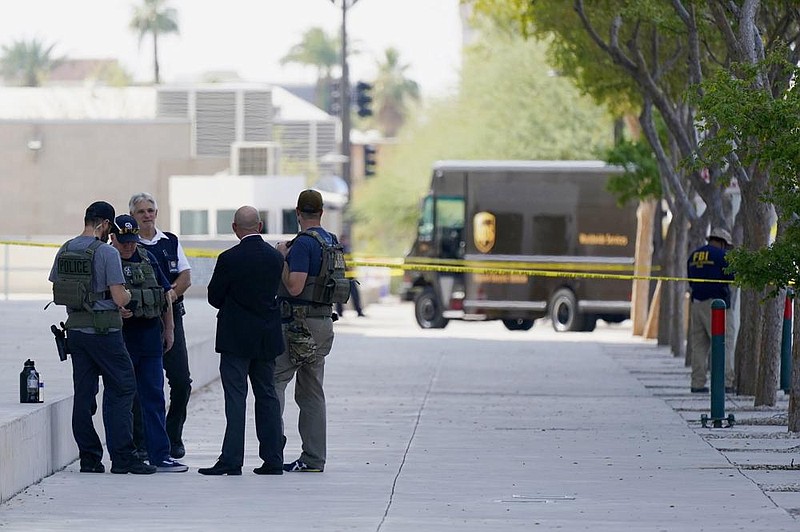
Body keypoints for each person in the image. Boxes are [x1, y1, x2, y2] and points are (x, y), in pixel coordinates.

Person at [48, 201, 155, 474]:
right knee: (121, 388)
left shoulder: (66, 248)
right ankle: (122, 458)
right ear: (105, 224)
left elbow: (57, 286)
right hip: (105, 331)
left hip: (76, 332)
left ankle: (89, 458)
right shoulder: (106, 252)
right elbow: (120, 296)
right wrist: (127, 299)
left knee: (84, 395)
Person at [199, 206, 285, 476]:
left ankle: (232, 459)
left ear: (235, 227)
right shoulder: (275, 257)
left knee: (236, 399)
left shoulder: (229, 258)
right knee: (267, 396)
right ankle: (273, 459)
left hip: (235, 338)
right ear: (260, 226)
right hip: (266, 337)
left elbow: (214, 297)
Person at [110, 215, 188, 473]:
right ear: (113, 237)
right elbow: (97, 297)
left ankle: (160, 454)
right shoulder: (106, 260)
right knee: (123, 399)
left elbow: (165, 294)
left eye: (132, 241)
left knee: (154, 397)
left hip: (150, 339)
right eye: (124, 242)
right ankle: (126, 454)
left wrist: (170, 329)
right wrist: (114, 310)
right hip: (121, 343)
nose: (129, 247)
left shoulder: (147, 257)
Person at [276, 189, 336, 473]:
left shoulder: (303, 245)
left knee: (274, 382)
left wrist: (281, 258)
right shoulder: (330, 242)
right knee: (312, 392)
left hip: (298, 325)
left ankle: (272, 450)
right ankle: (313, 458)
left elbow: (295, 286)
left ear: (298, 213)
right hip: (323, 322)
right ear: (321, 212)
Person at [129, 192, 193, 459]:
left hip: (170, 317)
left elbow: (186, 277)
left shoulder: (170, 242)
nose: (147, 215)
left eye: (150, 210)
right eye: (141, 211)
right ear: (133, 215)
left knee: (181, 382)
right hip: (139, 322)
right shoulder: (128, 245)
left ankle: (172, 435)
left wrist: (167, 297)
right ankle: (142, 441)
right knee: (138, 385)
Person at [687, 227, 736, 394]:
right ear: (722, 243)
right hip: (717, 307)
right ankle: (725, 382)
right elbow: (732, 276)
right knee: (724, 343)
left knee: (699, 346)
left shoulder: (694, 255)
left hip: (697, 304)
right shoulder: (721, 256)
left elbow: (690, 281)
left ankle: (697, 383)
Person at [335, 233, 365, 318]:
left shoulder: (341, 248)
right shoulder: (343, 249)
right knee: (342, 294)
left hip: (345, 275)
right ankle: (356, 311)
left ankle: (343, 312)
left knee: (342, 294)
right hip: (345, 275)